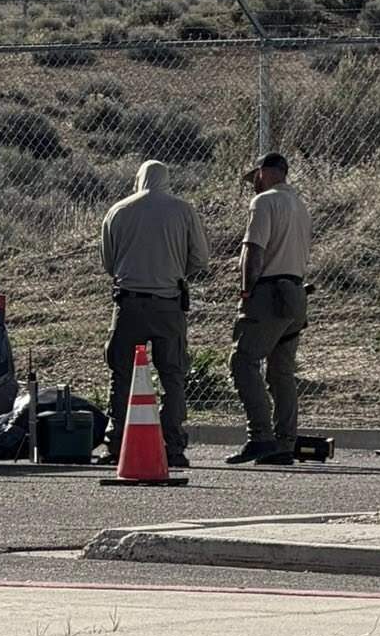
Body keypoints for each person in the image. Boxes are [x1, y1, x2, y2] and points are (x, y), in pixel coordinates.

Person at [100, 159, 211, 469]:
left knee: (121, 374)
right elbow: (200, 258)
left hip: (129, 304)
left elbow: (109, 262)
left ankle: (116, 444)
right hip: (169, 303)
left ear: (139, 179)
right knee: (172, 375)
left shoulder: (119, 211)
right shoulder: (183, 210)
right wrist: (176, 272)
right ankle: (173, 446)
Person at [228, 151, 313, 467]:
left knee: (243, 360)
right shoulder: (300, 206)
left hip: (269, 292)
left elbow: (253, 250)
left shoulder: (264, 203)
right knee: (282, 371)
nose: (254, 186)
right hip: (295, 293)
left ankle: (260, 436)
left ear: (265, 172)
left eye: (256, 179)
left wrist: (247, 290)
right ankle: (284, 442)